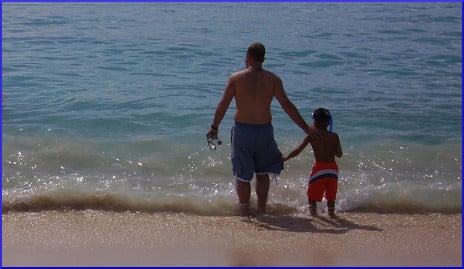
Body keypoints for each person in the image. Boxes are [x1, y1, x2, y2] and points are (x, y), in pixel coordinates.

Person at [206, 42, 316, 216]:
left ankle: (244, 211)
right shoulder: (273, 80)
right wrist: (305, 127)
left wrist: (214, 127)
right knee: (263, 172)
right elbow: (287, 105)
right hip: (264, 131)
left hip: (243, 132)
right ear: (263, 59)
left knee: (242, 176)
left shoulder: (236, 78)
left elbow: (223, 105)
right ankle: (262, 210)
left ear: (248, 57)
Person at [282, 108, 343, 217]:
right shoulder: (334, 136)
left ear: (315, 121)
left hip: (320, 168)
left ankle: (313, 214)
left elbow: (298, 150)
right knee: (331, 195)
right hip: (333, 169)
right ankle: (331, 214)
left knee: (312, 195)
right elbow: (339, 154)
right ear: (329, 122)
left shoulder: (312, 135)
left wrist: (286, 157)